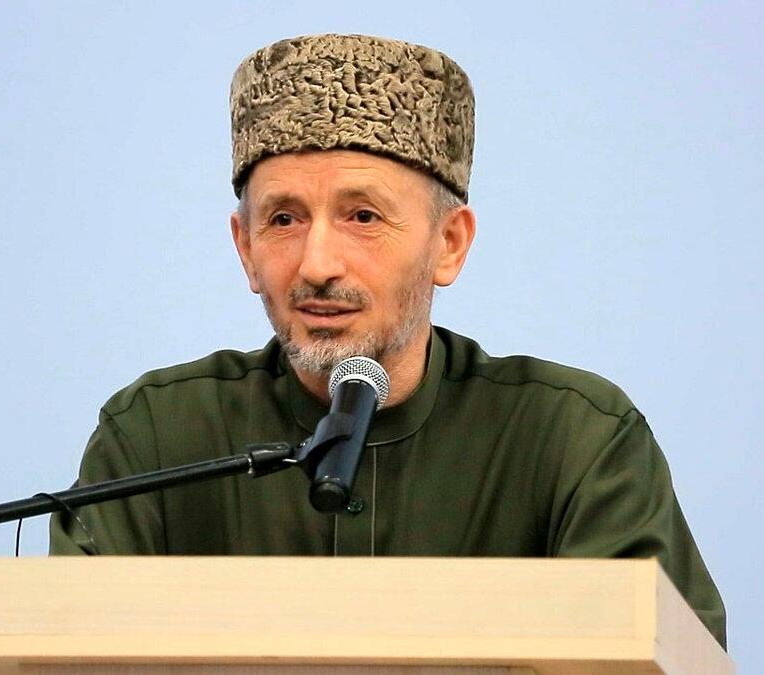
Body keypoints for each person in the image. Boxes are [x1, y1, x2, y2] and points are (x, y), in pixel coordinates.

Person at [50, 33, 726, 648]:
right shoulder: (155, 438)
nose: (317, 263)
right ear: (245, 248)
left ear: (449, 244)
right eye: (283, 219)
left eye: (363, 216)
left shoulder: (577, 439)